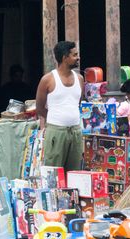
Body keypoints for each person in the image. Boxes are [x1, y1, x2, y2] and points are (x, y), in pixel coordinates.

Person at [35, 41, 84, 171]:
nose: (78, 57)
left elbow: (77, 103)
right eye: (74, 55)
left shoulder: (79, 79)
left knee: (74, 171)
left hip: (75, 131)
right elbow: (39, 108)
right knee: (54, 172)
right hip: (56, 131)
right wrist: (55, 118)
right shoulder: (48, 79)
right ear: (64, 58)